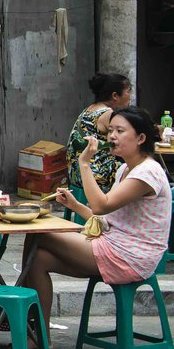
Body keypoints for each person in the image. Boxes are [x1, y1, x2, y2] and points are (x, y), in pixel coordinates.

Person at [24, 107, 172, 326]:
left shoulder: (147, 172)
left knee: (38, 234)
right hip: (114, 244)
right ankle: (39, 338)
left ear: (140, 138)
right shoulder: (124, 170)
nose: (112, 136)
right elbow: (106, 218)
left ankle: (15, 311)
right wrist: (74, 205)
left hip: (132, 255)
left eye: (120, 131)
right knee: (38, 260)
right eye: (111, 130)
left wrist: (84, 163)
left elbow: (102, 206)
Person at [66, 72, 130, 192]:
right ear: (115, 96)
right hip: (94, 175)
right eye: (128, 91)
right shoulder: (108, 114)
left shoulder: (89, 109)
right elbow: (128, 140)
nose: (130, 96)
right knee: (138, 172)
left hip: (75, 175)